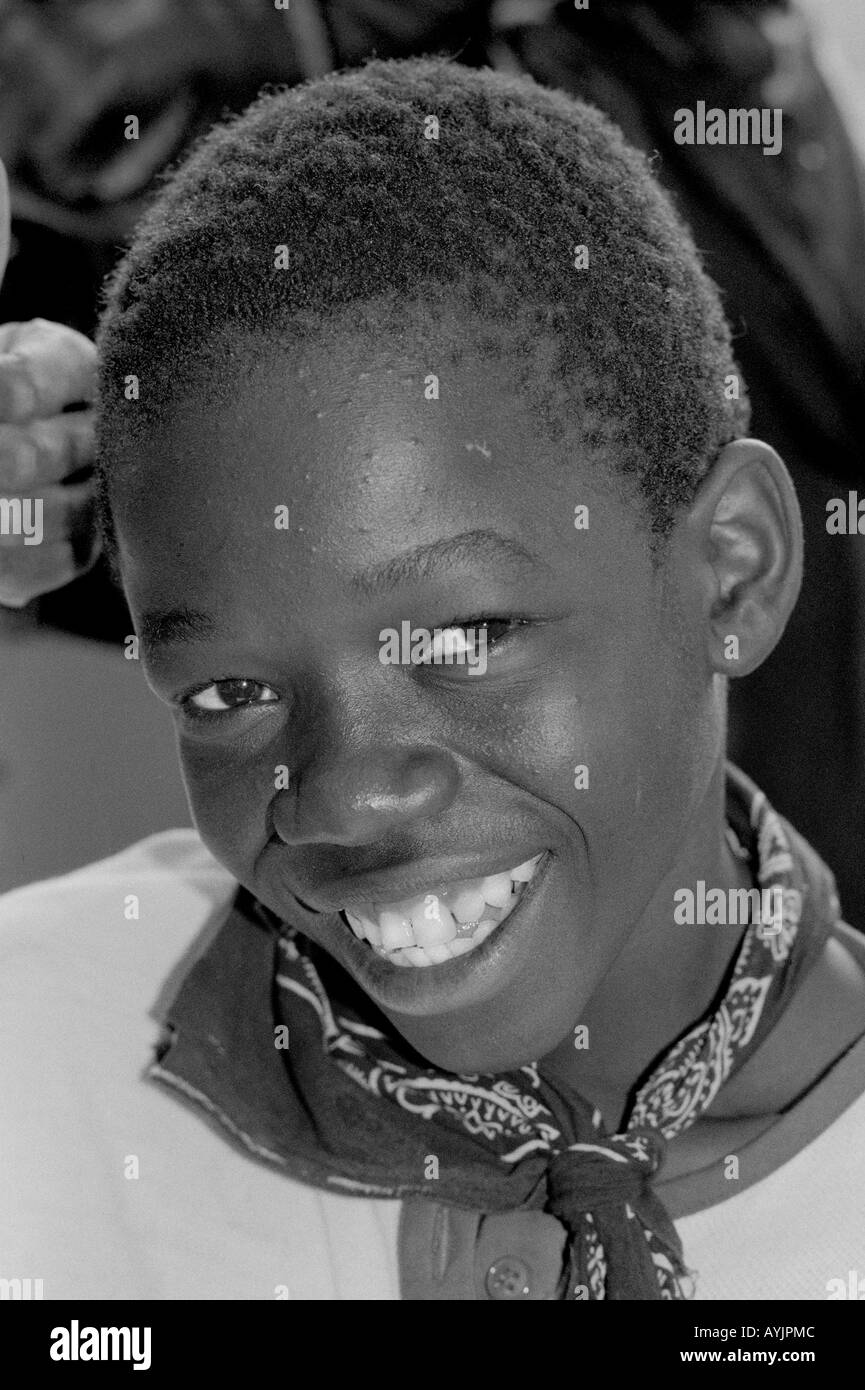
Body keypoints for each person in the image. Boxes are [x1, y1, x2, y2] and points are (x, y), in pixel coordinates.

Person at [1, 56, 864, 1301]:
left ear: (732, 570)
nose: (341, 801)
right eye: (226, 693)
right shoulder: (48, 1053)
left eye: (463, 639)